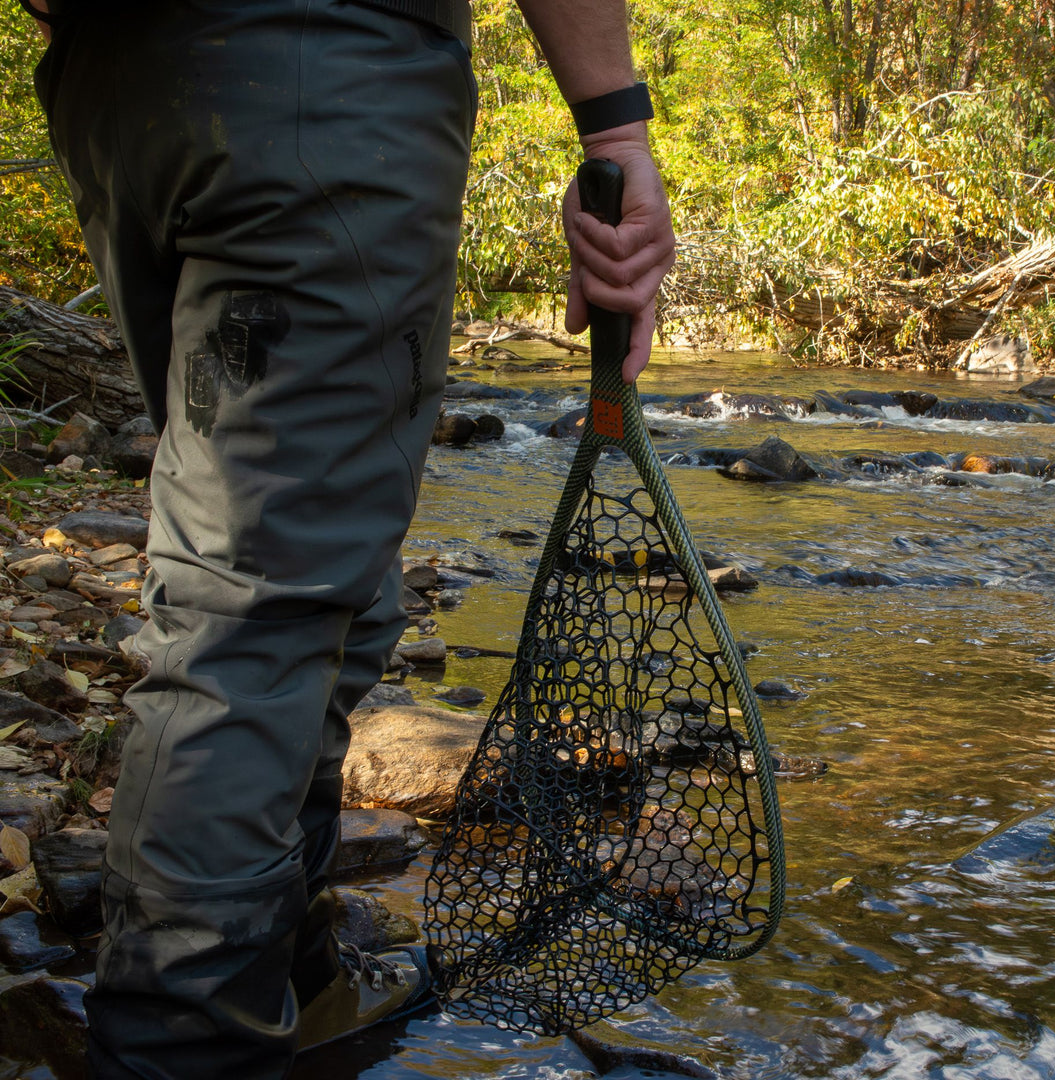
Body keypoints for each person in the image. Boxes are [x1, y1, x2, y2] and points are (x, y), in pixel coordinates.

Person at [21, 0, 676, 1076]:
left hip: (121, 90)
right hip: (331, 83)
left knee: (317, 584)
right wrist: (615, 127)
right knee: (256, 611)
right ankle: (184, 1050)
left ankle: (293, 973)